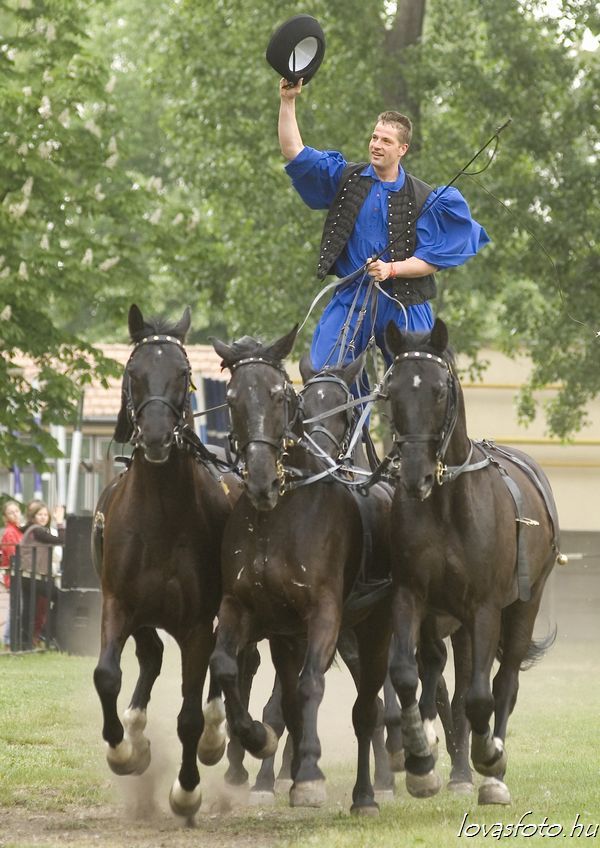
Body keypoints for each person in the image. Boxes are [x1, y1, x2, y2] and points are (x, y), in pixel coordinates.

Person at [278, 78, 490, 372]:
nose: (376, 145)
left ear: (403, 148)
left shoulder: (424, 198)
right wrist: (288, 100)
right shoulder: (344, 178)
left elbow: (431, 260)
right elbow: (294, 151)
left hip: (405, 302)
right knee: (323, 373)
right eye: (374, 137)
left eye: (386, 141)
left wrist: (391, 269)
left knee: (423, 375)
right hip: (352, 296)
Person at [19, 500, 65, 647]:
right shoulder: (37, 530)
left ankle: (25, 641)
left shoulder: (31, 529)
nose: (43, 517)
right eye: (40, 514)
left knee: (29, 608)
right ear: (33, 516)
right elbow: (61, 540)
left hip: (27, 575)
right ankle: (46, 633)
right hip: (35, 576)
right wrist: (60, 522)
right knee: (60, 598)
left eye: (45, 514)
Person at [1, 500, 24, 649]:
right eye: (11, 512)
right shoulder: (10, 532)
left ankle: (11, 638)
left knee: (18, 606)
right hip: (14, 575)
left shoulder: (19, 529)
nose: (15, 514)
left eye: (16, 511)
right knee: (16, 607)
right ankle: (8, 639)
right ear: (5, 517)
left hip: (19, 573)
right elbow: (12, 554)